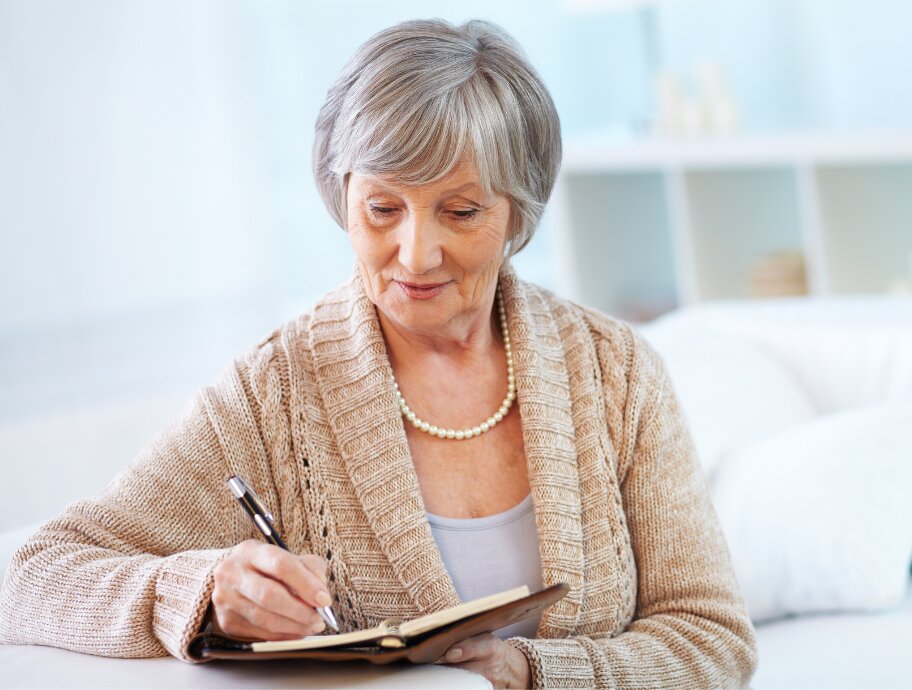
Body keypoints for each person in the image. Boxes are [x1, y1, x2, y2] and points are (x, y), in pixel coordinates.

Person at [0, 18, 758, 689]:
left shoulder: (615, 372)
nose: (415, 253)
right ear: (343, 199)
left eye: (461, 211)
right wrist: (202, 594)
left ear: (518, 214)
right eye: (382, 208)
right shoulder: (274, 393)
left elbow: (713, 639)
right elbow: (30, 577)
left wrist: (532, 673)